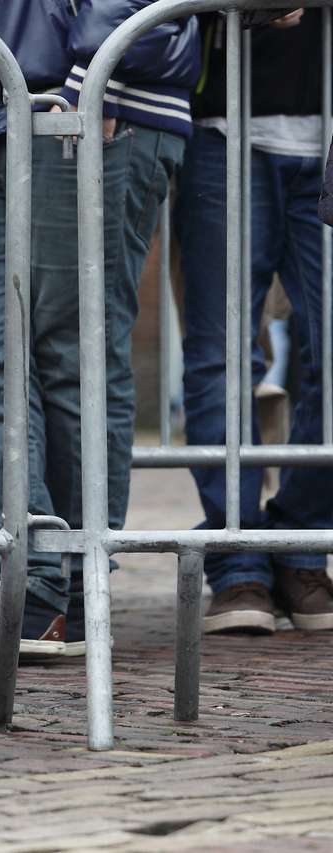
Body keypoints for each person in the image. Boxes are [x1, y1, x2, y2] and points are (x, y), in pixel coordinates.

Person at [0, 1, 199, 657]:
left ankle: (67, 587)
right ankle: (30, 575)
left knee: (73, 350)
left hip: (88, 100)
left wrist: (98, 74)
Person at [175, 8, 333, 635]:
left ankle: (295, 537)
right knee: (222, 356)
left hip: (327, 140)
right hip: (221, 130)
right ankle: (238, 560)